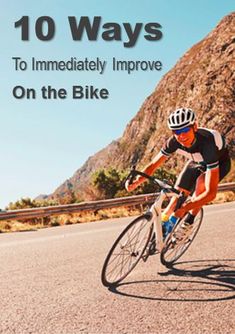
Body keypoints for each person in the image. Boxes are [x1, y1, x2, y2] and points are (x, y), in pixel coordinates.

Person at [125, 107, 231, 238]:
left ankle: (188, 222)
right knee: (177, 194)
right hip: (196, 162)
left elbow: (210, 194)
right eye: (176, 131)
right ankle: (166, 223)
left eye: (185, 130)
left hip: (219, 163)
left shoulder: (208, 143)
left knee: (201, 186)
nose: (181, 135)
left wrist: (186, 208)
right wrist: (137, 182)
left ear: (195, 127)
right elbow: (153, 165)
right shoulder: (173, 142)